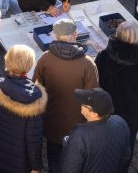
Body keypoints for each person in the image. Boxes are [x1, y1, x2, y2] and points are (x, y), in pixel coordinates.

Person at [33, 19, 99, 173]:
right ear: (75, 34)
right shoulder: (87, 64)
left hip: (51, 122)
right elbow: (92, 98)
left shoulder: (45, 58)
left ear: (55, 36)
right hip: (77, 128)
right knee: (74, 162)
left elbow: (36, 88)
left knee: (53, 158)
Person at [95, 21, 138, 153]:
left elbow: (95, 83)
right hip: (133, 116)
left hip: (108, 112)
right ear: (137, 37)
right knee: (127, 145)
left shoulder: (103, 56)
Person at [0, 44, 46, 173]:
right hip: (21, 163)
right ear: (29, 65)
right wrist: (36, 166)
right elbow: (33, 138)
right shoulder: (35, 97)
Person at [60, 88, 132, 173]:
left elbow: (70, 169)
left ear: (94, 114)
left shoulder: (79, 137)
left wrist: (67, 144)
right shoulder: (120, 122)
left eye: (84, 104)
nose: (81, 104)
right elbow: (126, 157)